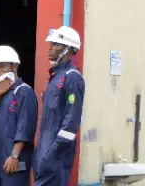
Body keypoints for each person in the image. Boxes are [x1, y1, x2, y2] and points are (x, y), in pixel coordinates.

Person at [33, 26, 84, 186]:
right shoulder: (55, 77)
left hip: (56, 157)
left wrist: (53, 152)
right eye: (51, 44)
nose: (50, 48)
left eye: (56, 45)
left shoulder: (72, 77)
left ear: (68, 50)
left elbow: (71, 120)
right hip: (43, 153)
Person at [0, 46, 36, 186]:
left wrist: (14, 155)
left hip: (13, 160)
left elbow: (25, 127)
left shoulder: (24, 91)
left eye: (2, 66)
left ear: (14, 66)